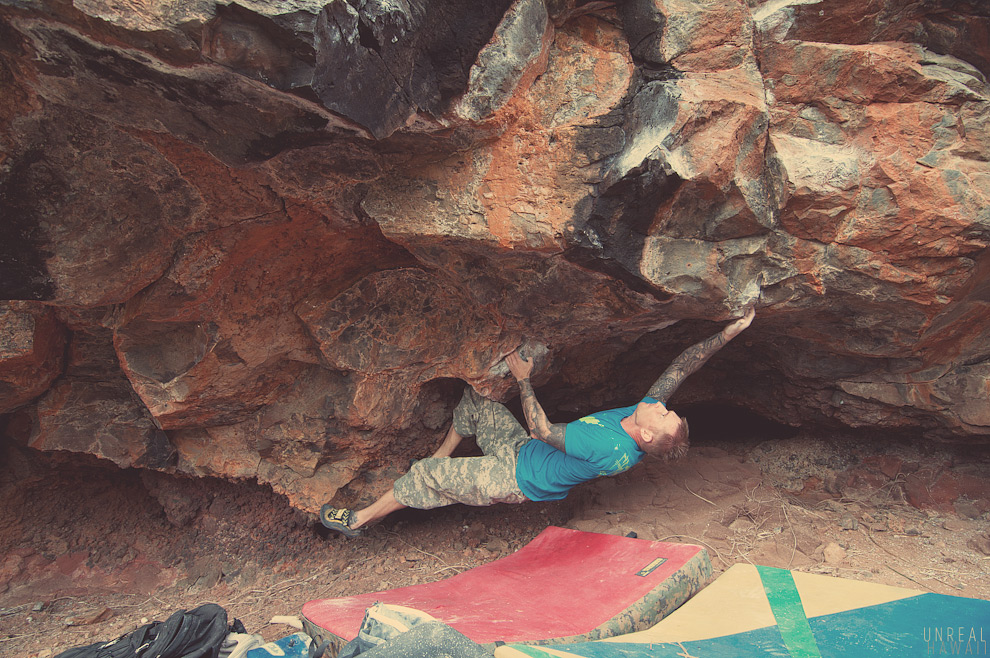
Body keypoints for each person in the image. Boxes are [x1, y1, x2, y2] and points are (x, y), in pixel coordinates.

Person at [320, 308, 756, 537]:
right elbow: (681, 368)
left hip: (515, 478)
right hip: (525, 454)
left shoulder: (604, 445)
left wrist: (525, 381)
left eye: (663, 413)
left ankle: (359, 521)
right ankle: (441, 452)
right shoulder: (640, 423)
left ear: (645, 435)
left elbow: (542, 431)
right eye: (666, 408)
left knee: (428, 476)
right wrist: (731, 332)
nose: (661, 404)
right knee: (479, 401)